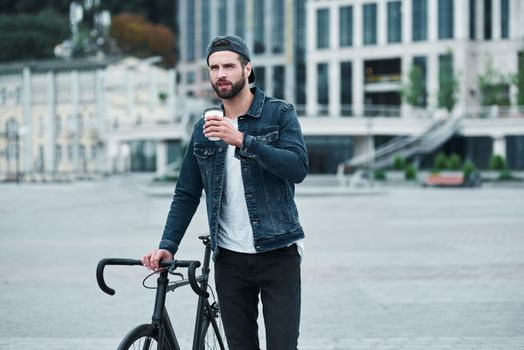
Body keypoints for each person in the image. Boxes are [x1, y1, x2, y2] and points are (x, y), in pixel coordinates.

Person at [142, 35, 308, 350]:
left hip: (278, 253)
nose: (221, 74)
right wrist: (168, 245)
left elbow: (298, 167)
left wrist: (244, 141)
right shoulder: (203, 129)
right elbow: (186, 193)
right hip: (230, 260)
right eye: (214, 67)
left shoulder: (279, 114)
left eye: (229, 66)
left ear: (247, 69)